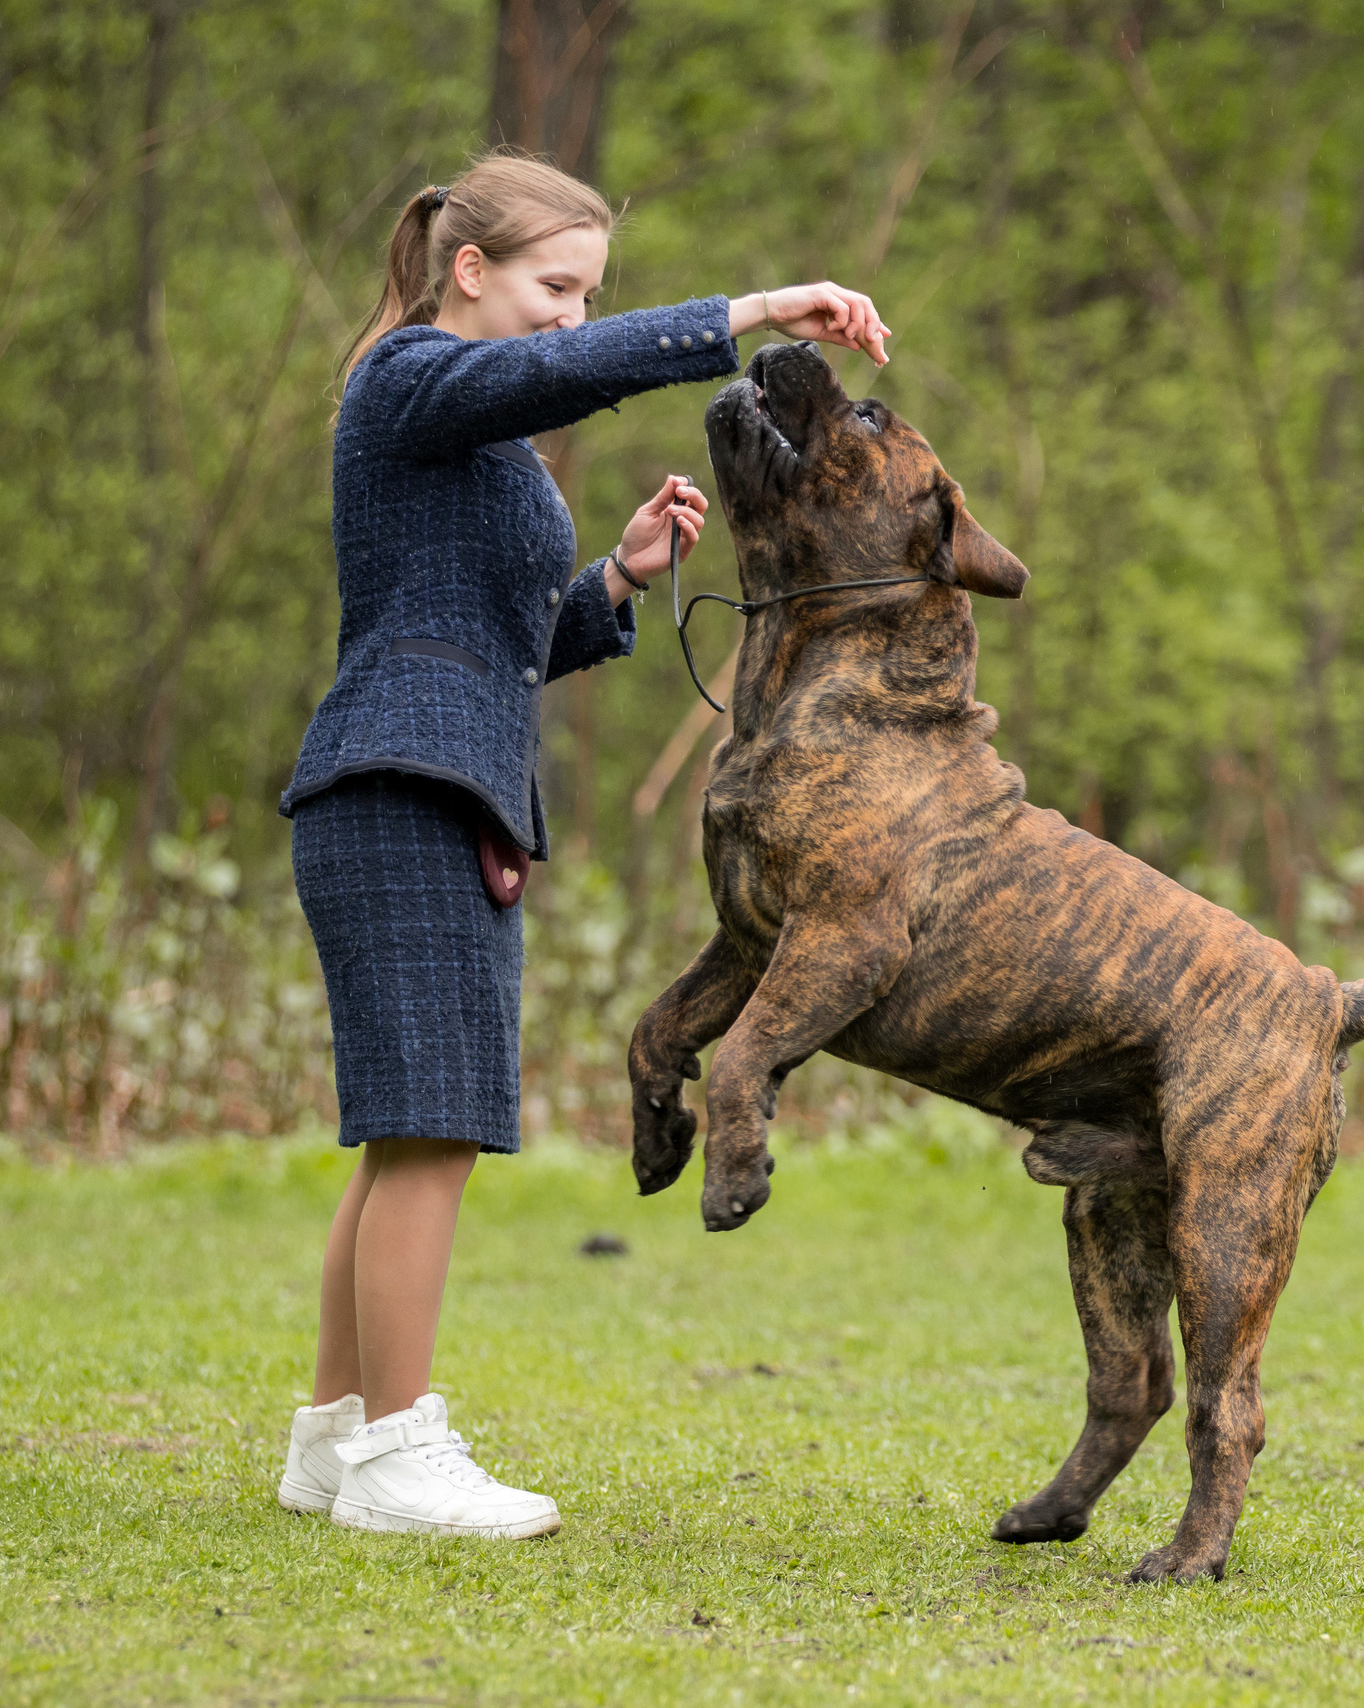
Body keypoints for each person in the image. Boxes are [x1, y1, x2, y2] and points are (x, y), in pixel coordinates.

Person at [268, 152, 890, 1538]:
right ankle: (396, 1451)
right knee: (431, 1127)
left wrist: (610, 583)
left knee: (406, 1135)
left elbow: (485, 643)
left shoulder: (465, 432)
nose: (570, 317)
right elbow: (561, 377)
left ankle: (334, 1441)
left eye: (588, 294)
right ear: (471, 270)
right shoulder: (409, 377)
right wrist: (752, 310)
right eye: (557, 287)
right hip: (401, 783)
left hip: (437, 772)